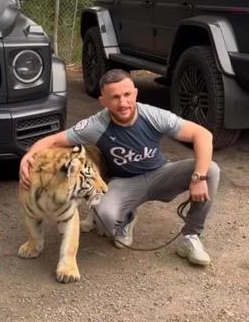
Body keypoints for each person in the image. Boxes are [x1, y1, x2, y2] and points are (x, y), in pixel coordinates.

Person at [19, 69, 219, 266]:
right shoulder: (95, 124)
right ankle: (127, 216)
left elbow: (202, 135)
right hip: (125, 182)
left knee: (210, 170)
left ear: (135, 93)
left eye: (127, 95)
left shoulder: (154, 115)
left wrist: (198, 178)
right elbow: (53, 141)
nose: (123, 103)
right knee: (104, 217)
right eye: (114, 97)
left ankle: (191, 237)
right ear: (103, 101)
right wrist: (29, 155)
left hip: (160, 174)